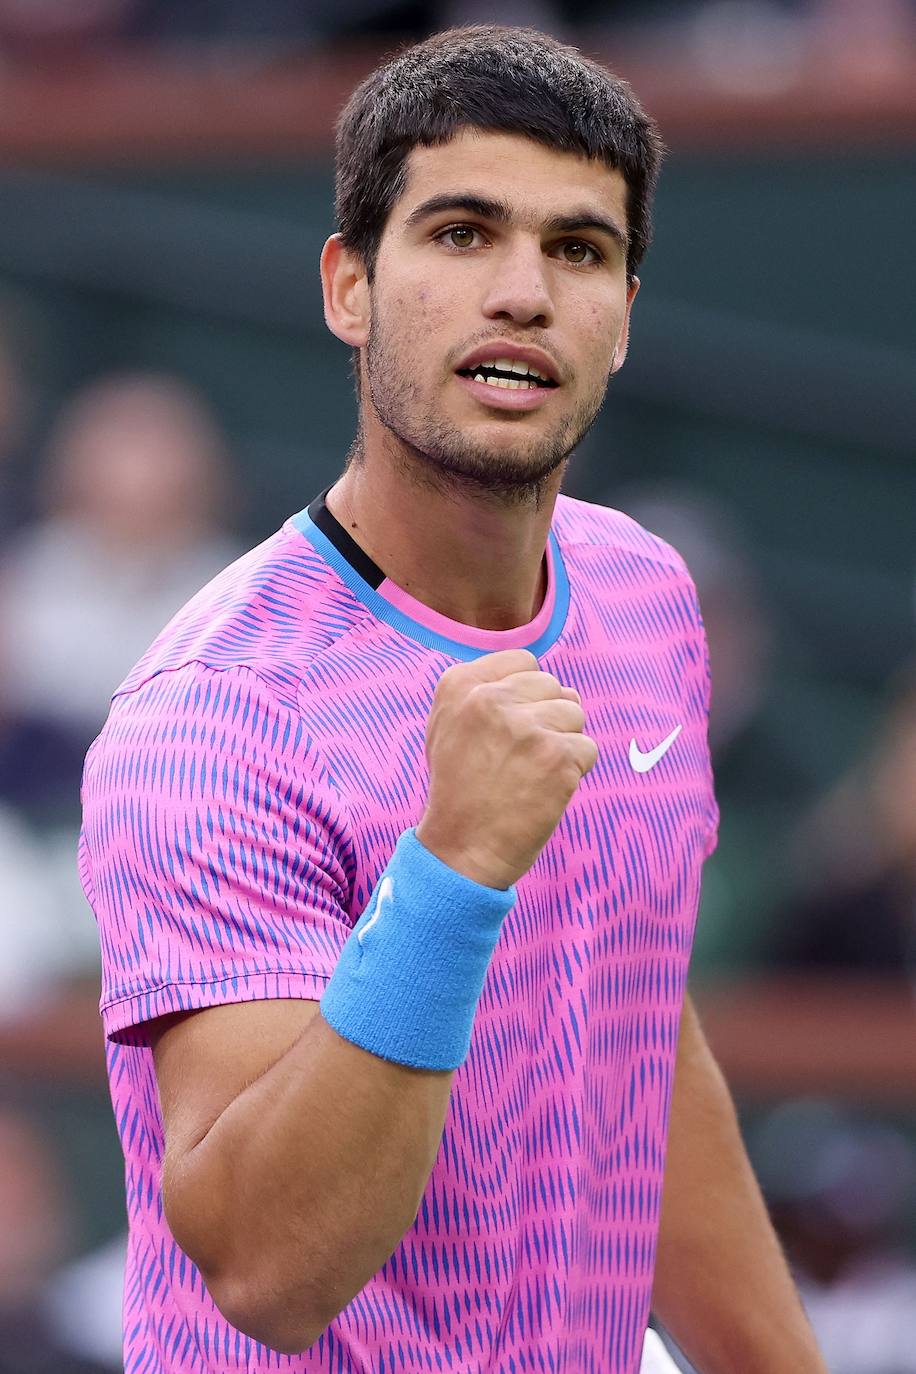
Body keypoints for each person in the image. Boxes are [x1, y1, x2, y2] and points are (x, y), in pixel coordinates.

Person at [79, 25, 828, 1374]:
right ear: (349, 287)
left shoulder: (647, 595)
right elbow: (267, 1266)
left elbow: (637, 1033)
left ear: (624, 316)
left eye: (579, 250)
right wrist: (455, 864)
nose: (525, 293)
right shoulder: (210, 713)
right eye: (464, 234)